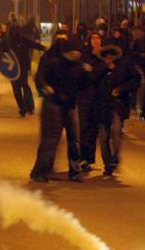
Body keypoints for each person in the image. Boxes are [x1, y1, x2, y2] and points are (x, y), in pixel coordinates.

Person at [29, 30, 90, 183]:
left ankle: (75, 171)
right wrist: (46, 88)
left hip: (70, 105)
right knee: (51, 139)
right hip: (54, 104)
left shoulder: (77, 64)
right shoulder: (52, 60)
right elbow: (41, 78)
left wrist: (87, 73)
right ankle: (40, 171)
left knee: (74, 139)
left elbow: (83, 84)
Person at [94, 45, 140, 176]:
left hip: (117, 105)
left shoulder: (125, 64)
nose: (109, 57)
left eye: (111, 54)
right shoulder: (99, 65)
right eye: (106, 55)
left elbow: (136, 79)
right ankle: (108, 164)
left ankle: (114, 158)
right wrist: (104, 68)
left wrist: (121, 89)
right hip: (101, 105)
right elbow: (91, 79)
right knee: (103, 137)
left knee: (116, 131)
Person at [77, 31, 105, 172]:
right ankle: (82, 158)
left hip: (99, 97)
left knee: (94, 129)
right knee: (84, 127)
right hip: (85, 95)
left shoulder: (105, 56)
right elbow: (86, 74)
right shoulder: (85, 55)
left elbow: (101, 73)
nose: (95, 40)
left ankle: (90, 159)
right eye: (93, 38)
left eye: (97, 38)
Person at [8, 25, 47, 117]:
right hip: (13, 70)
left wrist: (44, 48)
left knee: (24, 87)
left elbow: (34, 44)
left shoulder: (23, 40)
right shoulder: (8, 42)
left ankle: (29, 107)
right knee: (17, 90)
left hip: (23, 68)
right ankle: (22, 108)